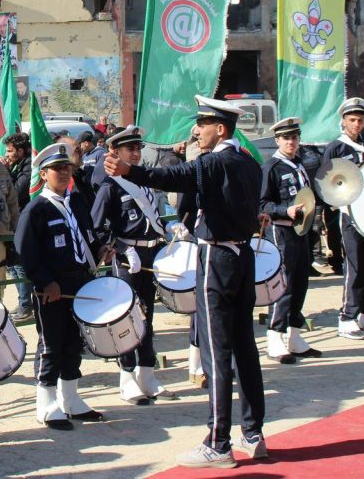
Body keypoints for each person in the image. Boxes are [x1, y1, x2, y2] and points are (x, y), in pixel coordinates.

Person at [105, 95, 266, 469]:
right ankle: (253, 433)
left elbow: (169, 177)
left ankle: (218, 441)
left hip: (218, 257)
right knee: (245, 346)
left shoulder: (213, 162)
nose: (197, 131)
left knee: (216, 350)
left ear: (220, 129)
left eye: (203, 124)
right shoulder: (248, 161)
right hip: (244, 257)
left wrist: (129, 171)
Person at [17, 143, 109, 431]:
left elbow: (87, 236)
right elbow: (26, 252)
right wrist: (45, 282)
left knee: (74, 341)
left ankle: (70, 399)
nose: (65, 172)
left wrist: (101, 249)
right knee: (51, 343)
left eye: (67, 167)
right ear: (44, 174)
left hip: (79, 280)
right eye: (57, 168)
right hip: (53, 287)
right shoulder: (37, 209)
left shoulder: (76, 202)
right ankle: (45, 403)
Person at [91, 126, 175, 404]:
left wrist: (169, 227)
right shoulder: (110, 186)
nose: (136, 154)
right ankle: (126, 377)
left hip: (150, 254)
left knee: (147, 315)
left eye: (138, 148)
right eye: (130, 149)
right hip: (127, 258)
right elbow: (96, 227)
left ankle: (147, 373)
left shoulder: (143, 180)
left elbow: (152, 218)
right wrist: (121, 247)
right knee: (126, 317)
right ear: (115, 152)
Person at [322, 98, 364, 340]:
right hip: (350, 215)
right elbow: (325, 182)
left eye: (360, 120)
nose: (357, 124)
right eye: (352, 120)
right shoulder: (336, 148)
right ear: (343, 121)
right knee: (355, 265)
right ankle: (347, 316)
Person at [259, 118, 322, 364]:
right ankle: (275, 336)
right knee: (282, 284)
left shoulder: (299, 164)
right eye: (286, 138)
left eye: (294, 137)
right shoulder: (272, 168)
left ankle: (294, 336)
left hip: (301, 232)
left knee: (300, 282)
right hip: (282, 231)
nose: (291, 142)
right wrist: (285, 211)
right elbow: (262, 204)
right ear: (277, 140)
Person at [3, 132, 34, 320]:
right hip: (14, 221)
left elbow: (15, 193)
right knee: (12, 266)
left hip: (24, 221)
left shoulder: (29, 167)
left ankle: (26, 306)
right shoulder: (17, 165)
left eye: (9, 151)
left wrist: (6, 173)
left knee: (20, 265)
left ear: (20, 151)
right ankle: (23, 302)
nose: (6, 155)